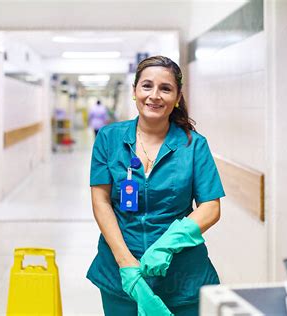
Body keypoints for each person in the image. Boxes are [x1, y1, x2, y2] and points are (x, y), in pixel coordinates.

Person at [87, 55, 225, 316]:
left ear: (177, 97)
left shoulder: (194, 145)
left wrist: (168, 244)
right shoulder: (109, 138)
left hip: (182, 275)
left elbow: (211, 206)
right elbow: (101, 201)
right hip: (120, 275)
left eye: (165, 88)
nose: (154, 95)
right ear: (134, 91)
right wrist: (125, 262)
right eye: (147, 86)